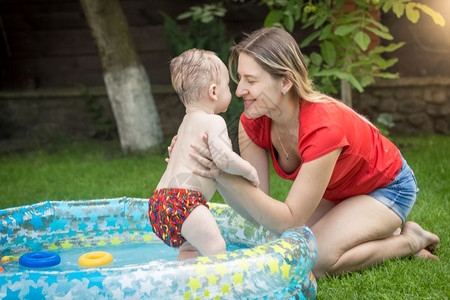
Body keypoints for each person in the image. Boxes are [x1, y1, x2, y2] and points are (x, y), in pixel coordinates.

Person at [187, 27, 440, 278]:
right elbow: (258, 211)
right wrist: (216, 173)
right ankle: (377, 229)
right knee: (285, 244)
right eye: (240, 78)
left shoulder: (322, 126)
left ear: (285, 81)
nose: (240, 90)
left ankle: (411, 239)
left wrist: (226, 175)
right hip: (339, 191)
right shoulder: (252, 122)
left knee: (312, 261)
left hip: (386, 187)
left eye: (251, 81)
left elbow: (288, 218)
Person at [149, 49, 259, 261]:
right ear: (214, 92)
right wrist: (249, 170)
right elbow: (224, 159)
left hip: (158, 204)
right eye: (228, 86)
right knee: (216, 247)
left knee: (190, 248)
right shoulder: (214, 121)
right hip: (184, 201)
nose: (232, 92)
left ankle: (186, 286)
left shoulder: (185, 123)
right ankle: (217, 290)